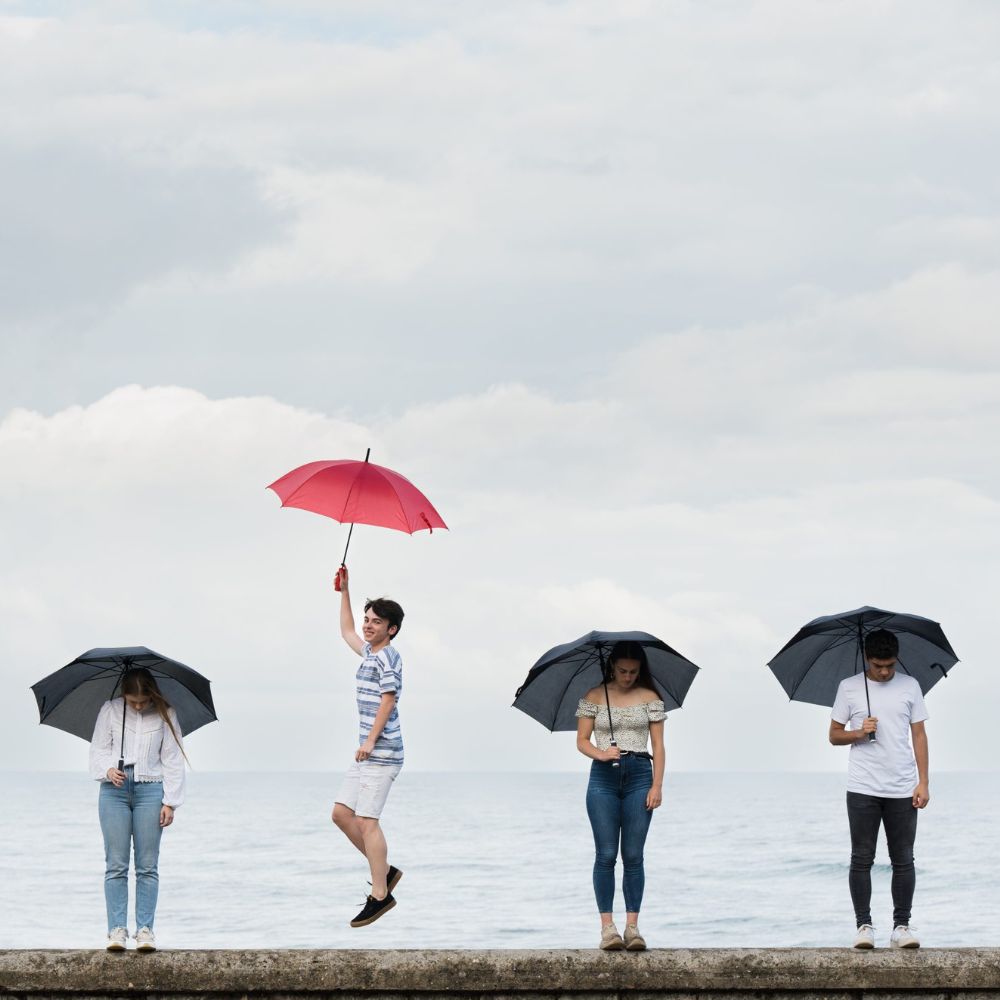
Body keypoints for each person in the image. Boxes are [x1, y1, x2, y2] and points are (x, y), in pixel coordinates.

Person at [830, 628, 929, 950]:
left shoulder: (910, 685)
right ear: (867, 659)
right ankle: (864, 926)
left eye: (889, 665)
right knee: (861, 858)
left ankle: (902, 926)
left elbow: (919, 735)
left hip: (902, 786)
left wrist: (923, 781)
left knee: (903, 858)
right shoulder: (849, 688)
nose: (884, 671)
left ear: (896, 658)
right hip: (863, 787)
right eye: (877, 665)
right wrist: (859, 732)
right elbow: (833, 735)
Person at [575, 641, 666, 951]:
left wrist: (657, 785)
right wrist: (602, 753)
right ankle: (607, 929)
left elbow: (659, 746)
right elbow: (582, 741)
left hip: (640, 773)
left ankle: (633, 928)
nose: (628, 676)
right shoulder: (594, 696)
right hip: (603, 777)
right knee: (606, 854)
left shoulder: (650, 698)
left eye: (634, 672)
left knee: (634, 855)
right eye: (623, 671)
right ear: (612, 667)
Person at [88, 668, 186, 952]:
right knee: (116, 865)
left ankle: (145, 931)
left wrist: (170, 802)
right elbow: (97, 750)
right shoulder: (110, 710)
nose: (139, 706)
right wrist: (107, 769)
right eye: (133, 702)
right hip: (114, 790)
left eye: (143, 701)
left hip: (151, 790)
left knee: (147, 866)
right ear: (124, 696)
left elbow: (172, 759)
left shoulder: (167, 713)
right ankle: (116, 930)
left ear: (152, 694)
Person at [332, 565, 405, 927]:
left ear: (391, 629)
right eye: (367, 618)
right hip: (366, 753)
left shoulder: (389, 657)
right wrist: (344, 590)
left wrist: (370, 742)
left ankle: (381, 894)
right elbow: (345, 629)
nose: (367, 624)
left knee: (366, 819)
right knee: (341, 814)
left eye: (376, 621)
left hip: (382, 752)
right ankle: (384, 870)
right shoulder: (370, 654)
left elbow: (388, 700)